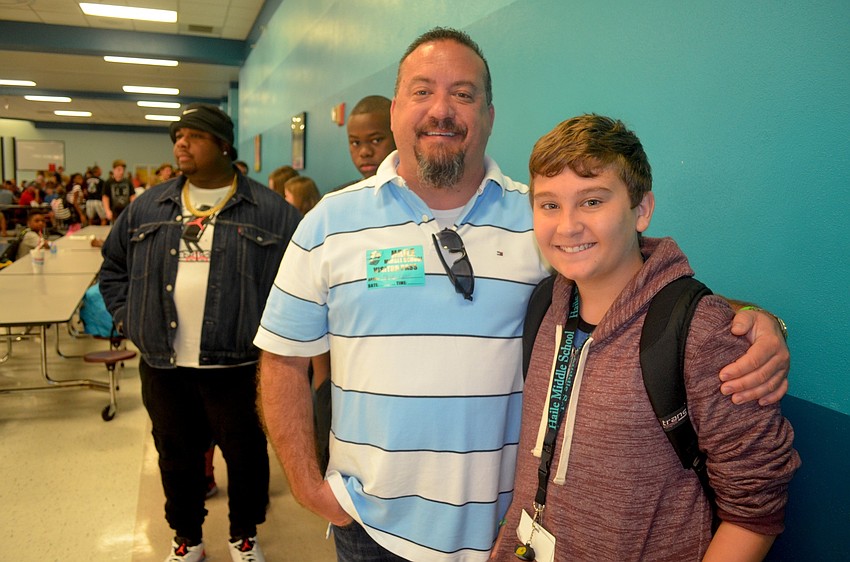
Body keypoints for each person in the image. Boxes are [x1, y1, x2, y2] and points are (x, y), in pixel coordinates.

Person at [255, 27, 790, 562]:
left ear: (489, 115)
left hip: (506, 533)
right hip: (373, 530)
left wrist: (753, 321)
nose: (441, 109)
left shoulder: (536, 217)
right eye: (422, 91)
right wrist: (308, 488)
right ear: (396, 109)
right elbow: (282, 360)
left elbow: (637, 282)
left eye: (463, 93)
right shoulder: (329, 223)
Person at [491, 115, 800, 561]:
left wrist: (761, 318)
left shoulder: (699, 332)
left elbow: (755, 507)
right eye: (549, 205)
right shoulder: (544, 304)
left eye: (592, 201)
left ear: (642, 210)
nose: (568, 226)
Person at [99, 102, 300, 562]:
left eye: (194, 136)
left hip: (239, 367)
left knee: (246, 457)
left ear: (224, 145)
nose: (181, 144)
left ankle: (244, 536)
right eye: (178, 136)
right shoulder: (148, 206)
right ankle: (187, 538)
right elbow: (113, 268)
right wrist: (129, 318)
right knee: (175, 457)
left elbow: (299, 286)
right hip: (164, 366)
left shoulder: (271, 212)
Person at [346, 95, 397, 180]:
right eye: (356, 143)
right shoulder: (348, 189)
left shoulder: (417, 187)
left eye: (376, 140)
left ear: (396, 137)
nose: (364, 152)